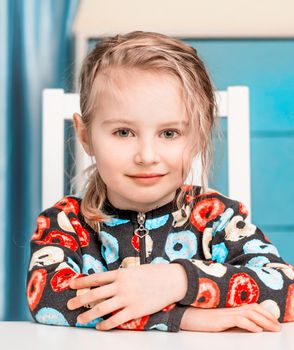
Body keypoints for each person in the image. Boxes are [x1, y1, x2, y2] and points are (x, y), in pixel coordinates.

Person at [26, 31, 294, 333]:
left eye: (169, 133)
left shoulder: (217, 218)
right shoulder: (65, 223)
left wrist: (180, 281)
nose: (147, 156)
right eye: (123, 132)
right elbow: (48, 299)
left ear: (198, 136)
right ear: (86, 135)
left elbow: (285, 287)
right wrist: (182, 318)